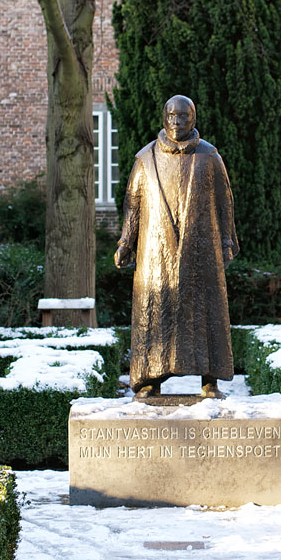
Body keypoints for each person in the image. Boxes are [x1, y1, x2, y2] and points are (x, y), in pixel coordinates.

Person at [114, 95, 239, 398]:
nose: (176, 122)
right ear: (164, 118)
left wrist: (227, 240)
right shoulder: (145, 159)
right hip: (155, 252)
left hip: (201, 250)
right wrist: (125, 242)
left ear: (192, 118)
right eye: (171, 116)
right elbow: (133, 204)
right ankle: (149, 380)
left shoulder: (209, 156)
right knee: (155, 312)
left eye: (182, 116)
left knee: (205, 311)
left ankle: (210, 380)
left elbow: (224, 201)